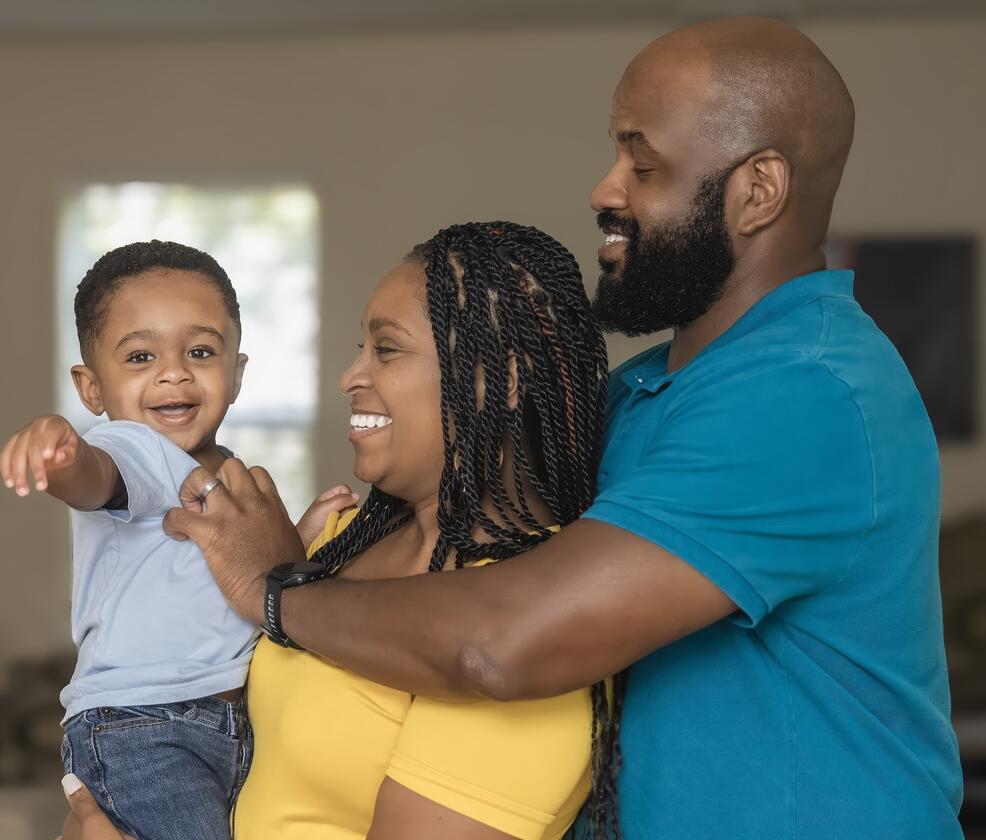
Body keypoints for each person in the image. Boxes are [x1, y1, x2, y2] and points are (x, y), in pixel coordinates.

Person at [63, 16, 964, 840]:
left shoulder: (805, 393)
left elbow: (502, 641)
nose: (603, 189)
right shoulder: (651, 391)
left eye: (642, 165)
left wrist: (272, 589)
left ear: (758, 188)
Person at [60, 220, 612, 840]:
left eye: (387, 348)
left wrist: (268, 589)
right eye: (360, 347)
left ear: (502, 377)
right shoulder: (336, 545)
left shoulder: (535, 634)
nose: (351, 376)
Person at [0, 241, 267, 839]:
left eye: (199, 350)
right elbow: (96, 481)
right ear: (92, 389)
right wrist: (61, 448)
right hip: (144, 727)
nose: (174, 372)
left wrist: (301, 538)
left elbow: (244, 581)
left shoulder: (230, 472)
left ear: (236, 372)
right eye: (141, 356)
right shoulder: (133, 447)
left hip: (214, 721)